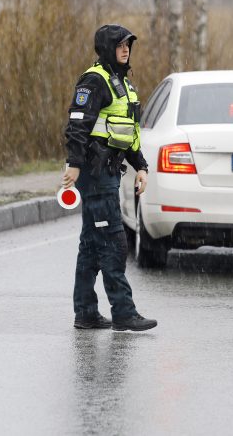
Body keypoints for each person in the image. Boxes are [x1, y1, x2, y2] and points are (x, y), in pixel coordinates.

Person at [62, 24, 157, 332]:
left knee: (91, 244)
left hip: (110, 172)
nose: (126, 48)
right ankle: (124, 312)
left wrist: (140, 165)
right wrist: (74, 163)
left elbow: (127, 134)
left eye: (129, 44)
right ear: (106, 48)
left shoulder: (123, 84)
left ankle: (86, 313)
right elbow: (77, 124)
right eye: (120, 44)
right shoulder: (94, 80)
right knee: (113, 242)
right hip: (94, 172)